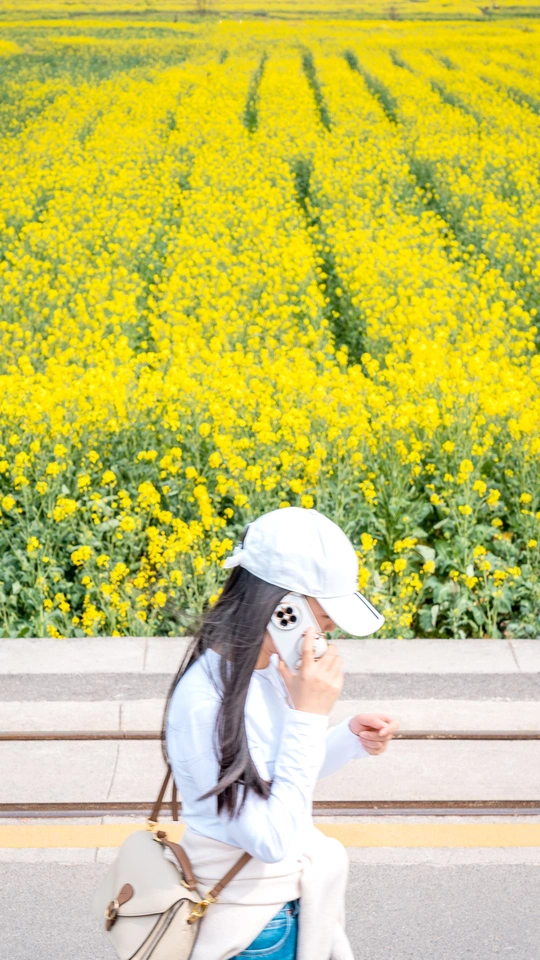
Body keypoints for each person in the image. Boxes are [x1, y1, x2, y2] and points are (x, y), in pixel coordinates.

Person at [163, 507, 399, 960]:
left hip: (279, 909)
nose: (331, 624)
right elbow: (272, 839)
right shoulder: (206, 701)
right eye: (325, 607)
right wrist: (309, 716)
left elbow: (276, 776)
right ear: (282, 608)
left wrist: (346, 737)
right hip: (253, 926)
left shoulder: (263, 670)